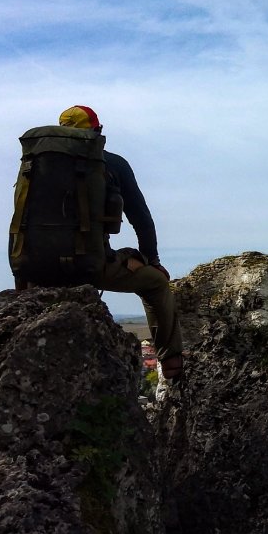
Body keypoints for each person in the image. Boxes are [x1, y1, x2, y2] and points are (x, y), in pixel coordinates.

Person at [58, 105, 184, 380]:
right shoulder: (111, 164)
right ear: (97, 131)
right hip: (89, 265)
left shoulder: (37, 167)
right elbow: (141, 218)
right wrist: (153, 260)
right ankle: (171, 360)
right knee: (155, 283)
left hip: (36, 269)